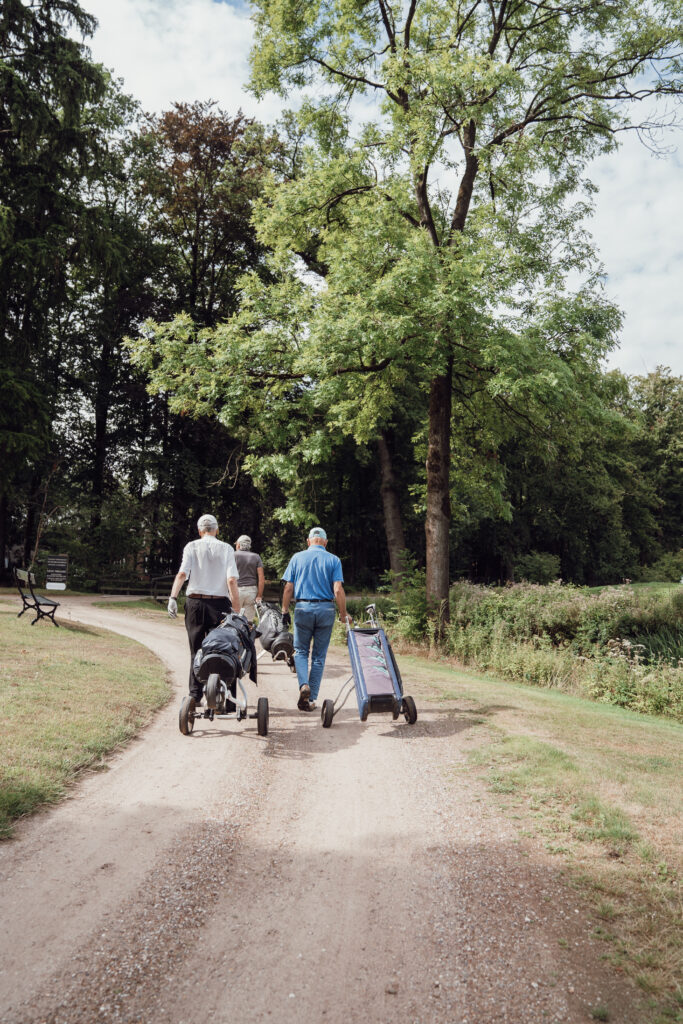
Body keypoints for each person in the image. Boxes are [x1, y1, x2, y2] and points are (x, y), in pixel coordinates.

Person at [168, 514, 241, 705]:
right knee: (226, 649)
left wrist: (173, 597)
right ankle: (229, 699)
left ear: (200, 531)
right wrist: (237, 609)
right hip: (220, 604)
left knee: (196, 650)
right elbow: (231, 580)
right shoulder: (226, 548)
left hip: (195, 604)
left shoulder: (191, 546)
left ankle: (194, 695)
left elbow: (183, 573)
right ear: (216, 529)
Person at [281, 527, 350, 712]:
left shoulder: (297, 558)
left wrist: (284, 610)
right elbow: (338, 590)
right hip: (326, 609)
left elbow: (288, 588)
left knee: (301, 652)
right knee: (319, 657)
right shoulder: (334, 560)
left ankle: (304, 685)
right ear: (325, 542)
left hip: (303, 608)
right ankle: (311, 699)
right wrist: (343, 615)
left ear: (308, 541)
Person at [234, 535, 265, 622]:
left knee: (234, 619)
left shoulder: (233, 555)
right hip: (251, 591)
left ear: (239, 545)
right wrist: (259, 595)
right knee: (249, 621)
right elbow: (261, 578)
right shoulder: (256, 557)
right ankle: (248, 634)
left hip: (236, 590)